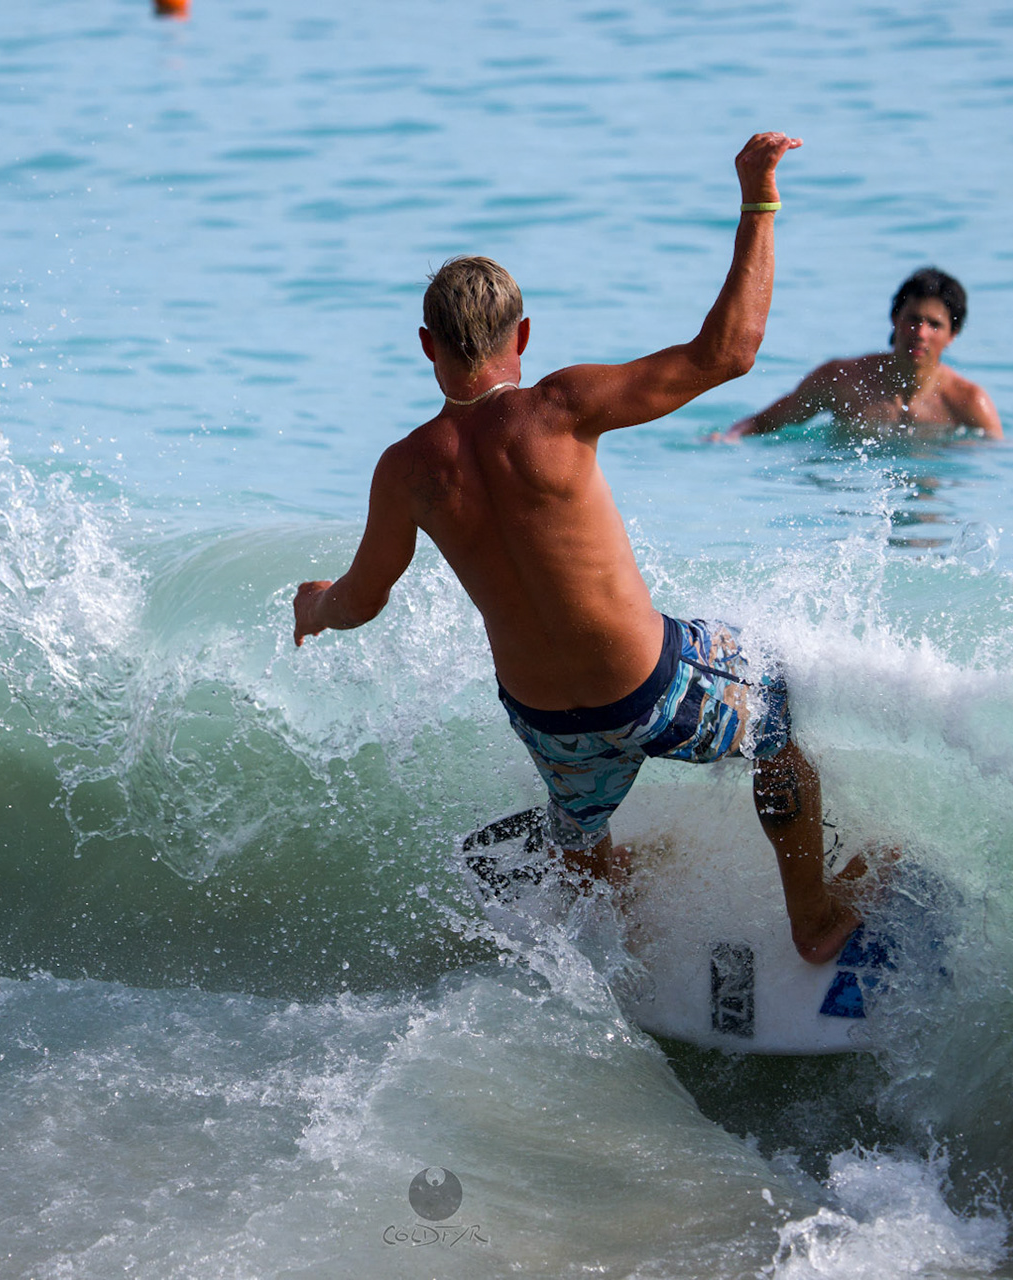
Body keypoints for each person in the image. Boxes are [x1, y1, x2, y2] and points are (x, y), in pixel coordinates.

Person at [291, 132, 867, 965]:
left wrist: (314, 607)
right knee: (771, 699)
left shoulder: (405, 470)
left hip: (546, 724)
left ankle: (614, 944)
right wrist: (758, 199)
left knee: (580, 824)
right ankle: (812, 920)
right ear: (522, 335)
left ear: (427, 346)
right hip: (649, 688)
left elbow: (363, 598)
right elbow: (729, 353)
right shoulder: (557, 409)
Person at [712, 267, 1001, 442]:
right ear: (895, 319)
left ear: (953, 334)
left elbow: (996, 460)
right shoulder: (842, 380)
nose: (921, 332)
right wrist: (730, 437)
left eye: (934, 325)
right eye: (913, 319)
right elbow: (763, 422)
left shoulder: (967, 401)